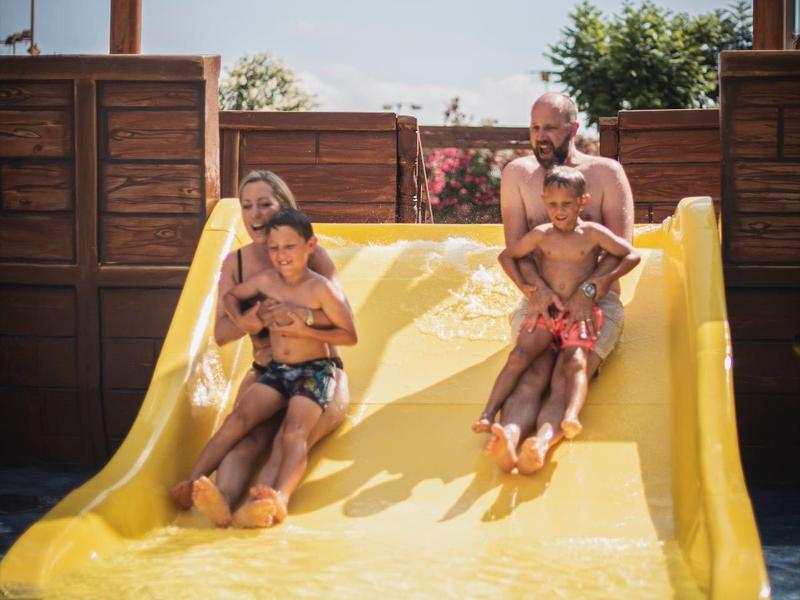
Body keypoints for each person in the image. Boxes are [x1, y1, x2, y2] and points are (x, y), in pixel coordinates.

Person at [170, 171, 350, 525]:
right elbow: (221, 334)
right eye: (247, 206)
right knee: (247, 437)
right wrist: (252, 319)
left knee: (290, 437)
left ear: (283, 207)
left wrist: (297, 315)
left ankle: (264, 502)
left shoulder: (313, 257)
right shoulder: (236, 264)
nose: (255, 215)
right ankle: (221, 500)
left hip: (320, 371)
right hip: (267, 373)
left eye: (265, 204)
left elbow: (339, 318)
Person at [479, 92, 634, 473]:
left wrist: (589, 291)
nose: (541, 136)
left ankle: (542, 443)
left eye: (550, 127)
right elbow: (515, 250)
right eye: (534, 128)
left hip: (595, 303)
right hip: (539, 301)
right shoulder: (517, 174)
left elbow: (623, 249)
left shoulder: (606, 174)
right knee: (532, 372)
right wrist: (537, 293)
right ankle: (509, 436)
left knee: (567, 370)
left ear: (574, 129)